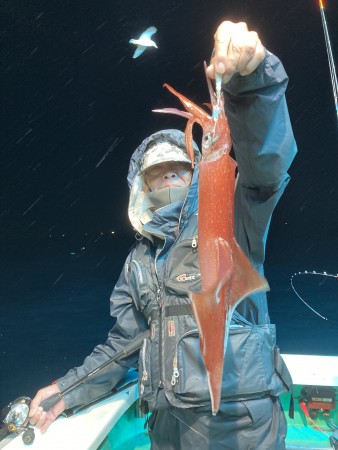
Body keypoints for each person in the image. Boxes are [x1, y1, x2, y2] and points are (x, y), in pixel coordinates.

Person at [29, 21, 297, 449]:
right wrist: (68, 389)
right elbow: (124, 345)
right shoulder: (138, 262)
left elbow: (265, 163)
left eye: (180, 168)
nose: (170, 178)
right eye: (158, 174)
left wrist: (254, 81)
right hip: (170, 432)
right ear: (143, 188)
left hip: (244, 431)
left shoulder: (236, 211)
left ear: (197, 171)